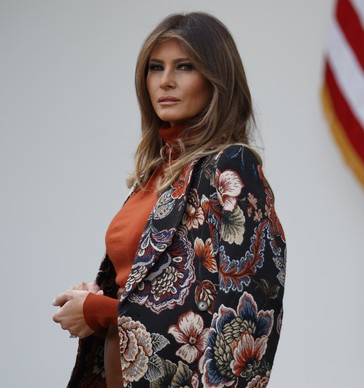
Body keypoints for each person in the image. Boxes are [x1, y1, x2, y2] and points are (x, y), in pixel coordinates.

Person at [52, 12, 286, 388]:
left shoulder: (230, 166)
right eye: (155, 68)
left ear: (216, 80)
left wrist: (100, 310)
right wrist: (98, 297)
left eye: (184, 67)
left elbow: (247, 314)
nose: (166, 81)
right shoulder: (158, 173)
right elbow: (153, 290)